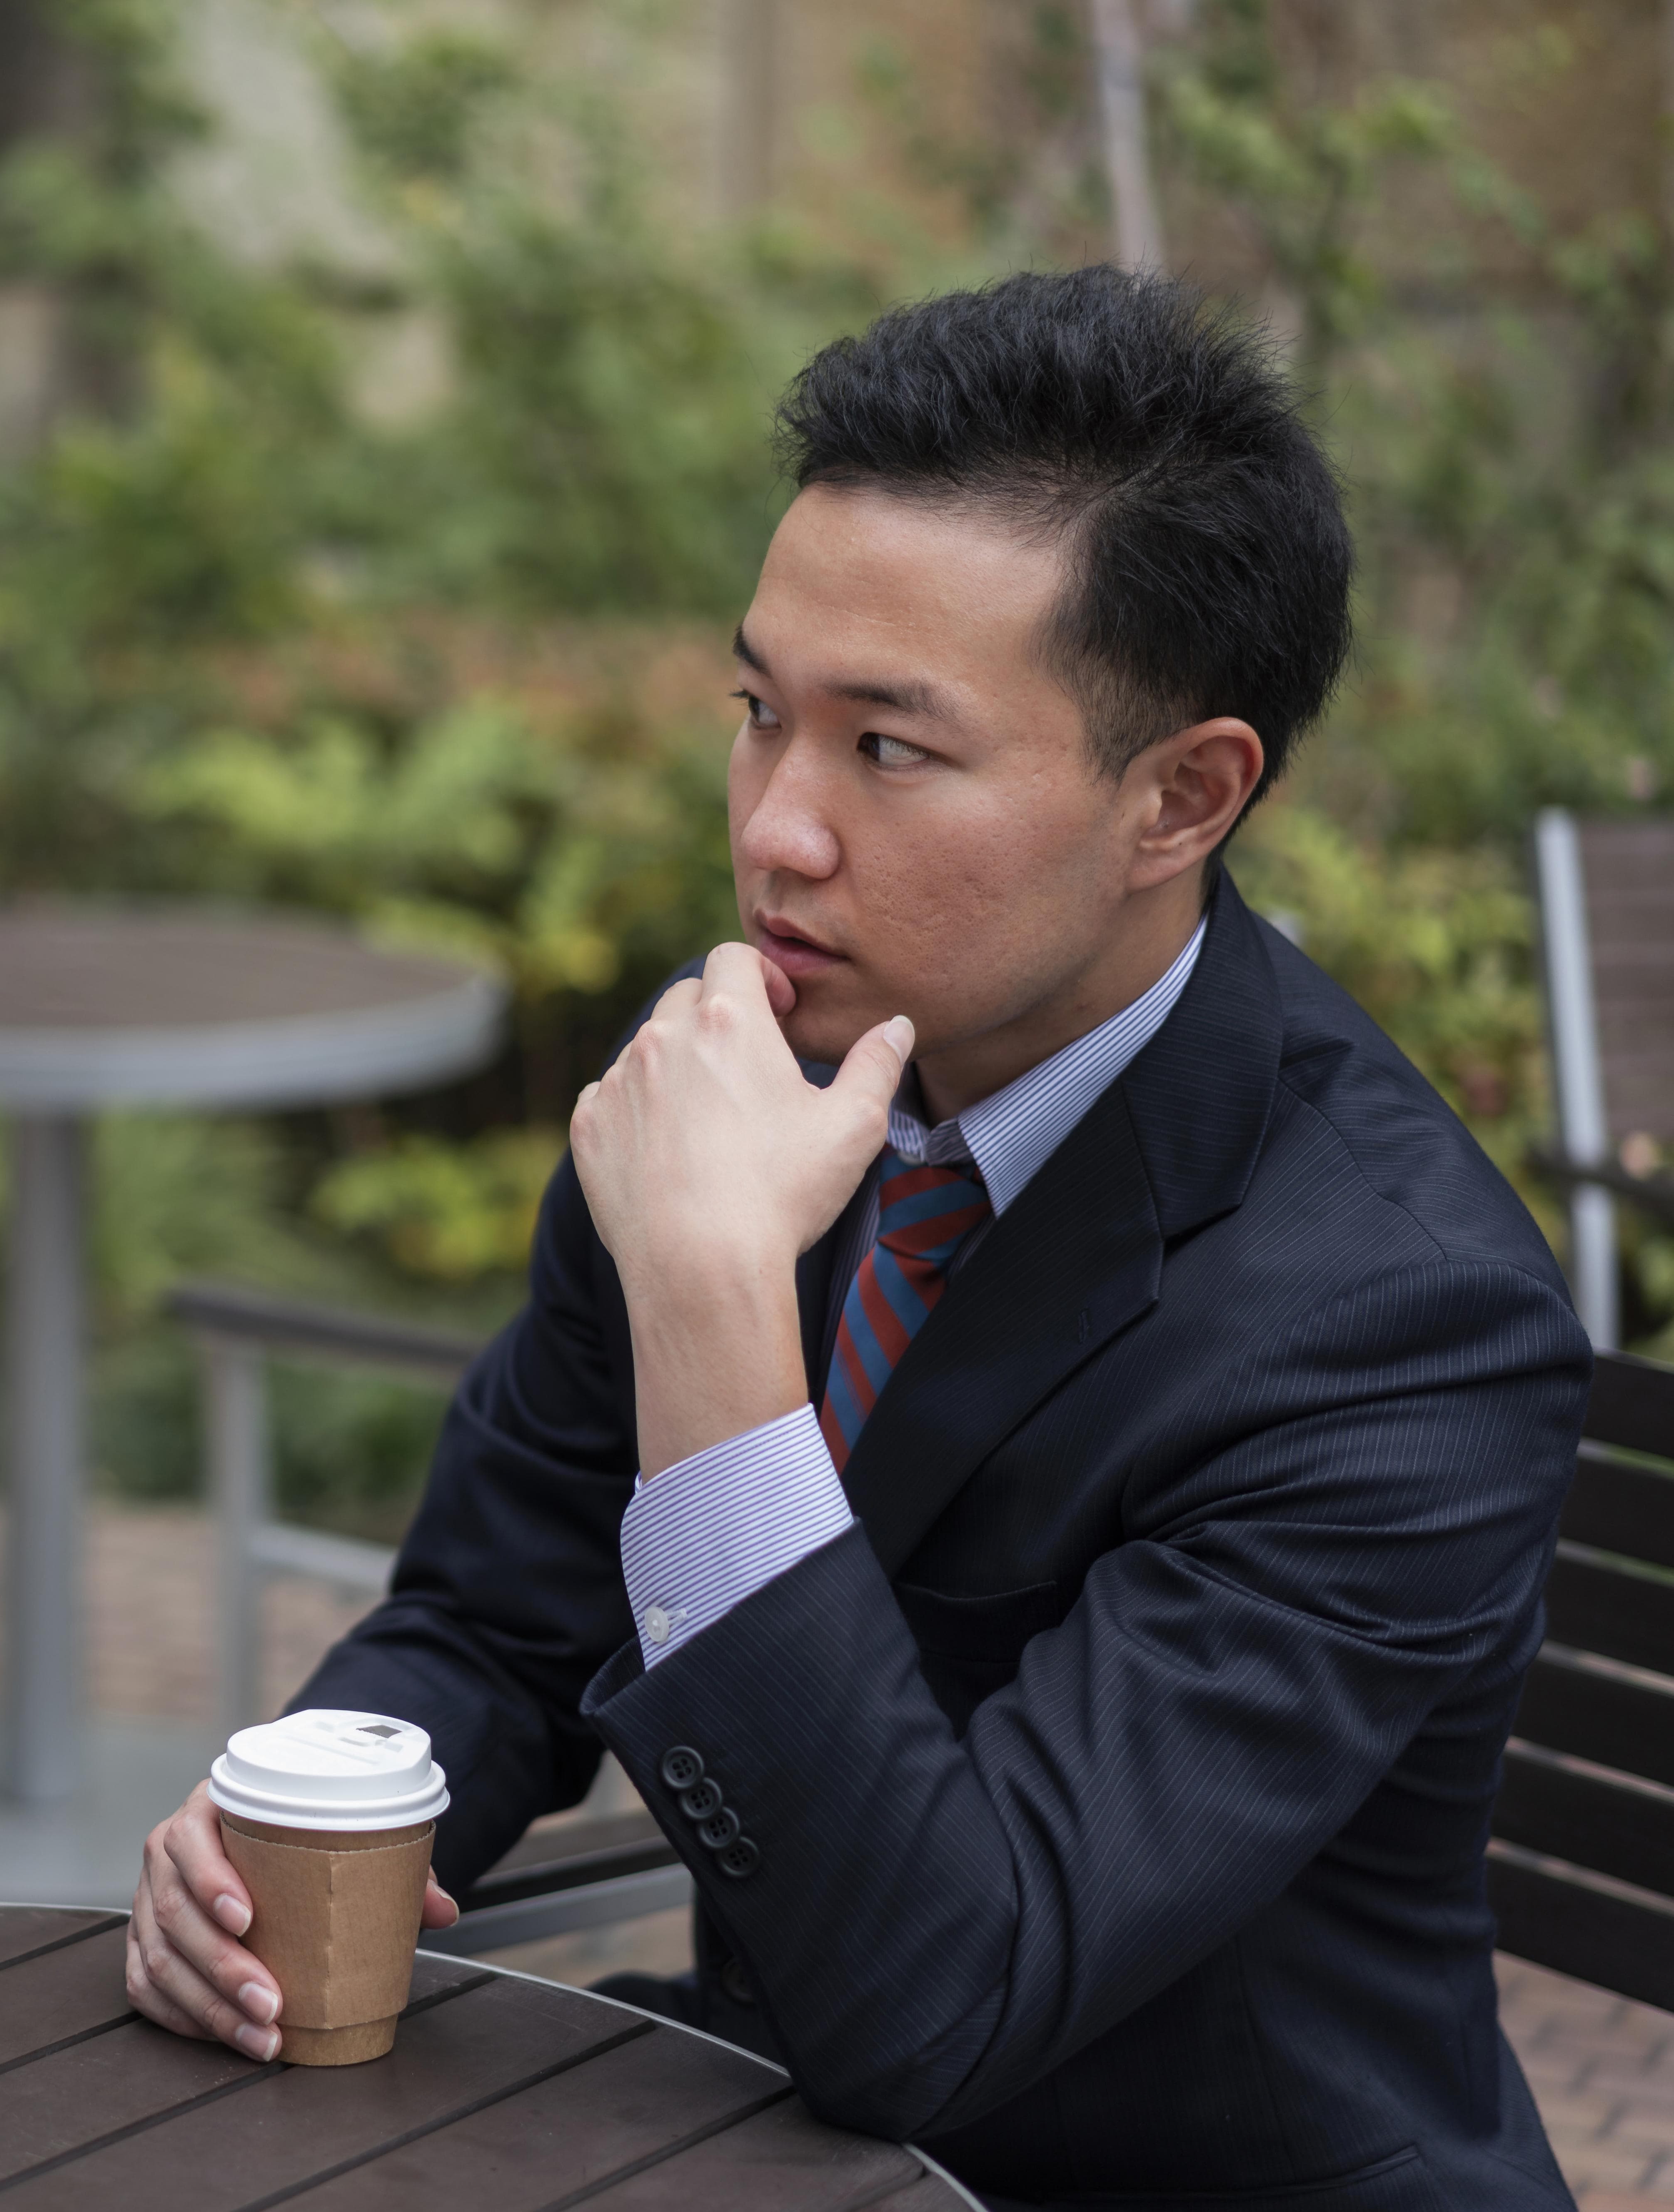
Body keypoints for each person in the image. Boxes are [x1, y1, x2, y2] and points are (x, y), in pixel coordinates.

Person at [126, 267, 1591, 2209]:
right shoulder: (742, 1074)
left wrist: (717, 1319)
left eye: (884, 751)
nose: (772, 834)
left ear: (1180, 796)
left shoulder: (1396, 1325)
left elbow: (936, 2000)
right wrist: (293, 1826)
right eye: (756, 715)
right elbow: (491, 1617)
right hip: (768, 2127)